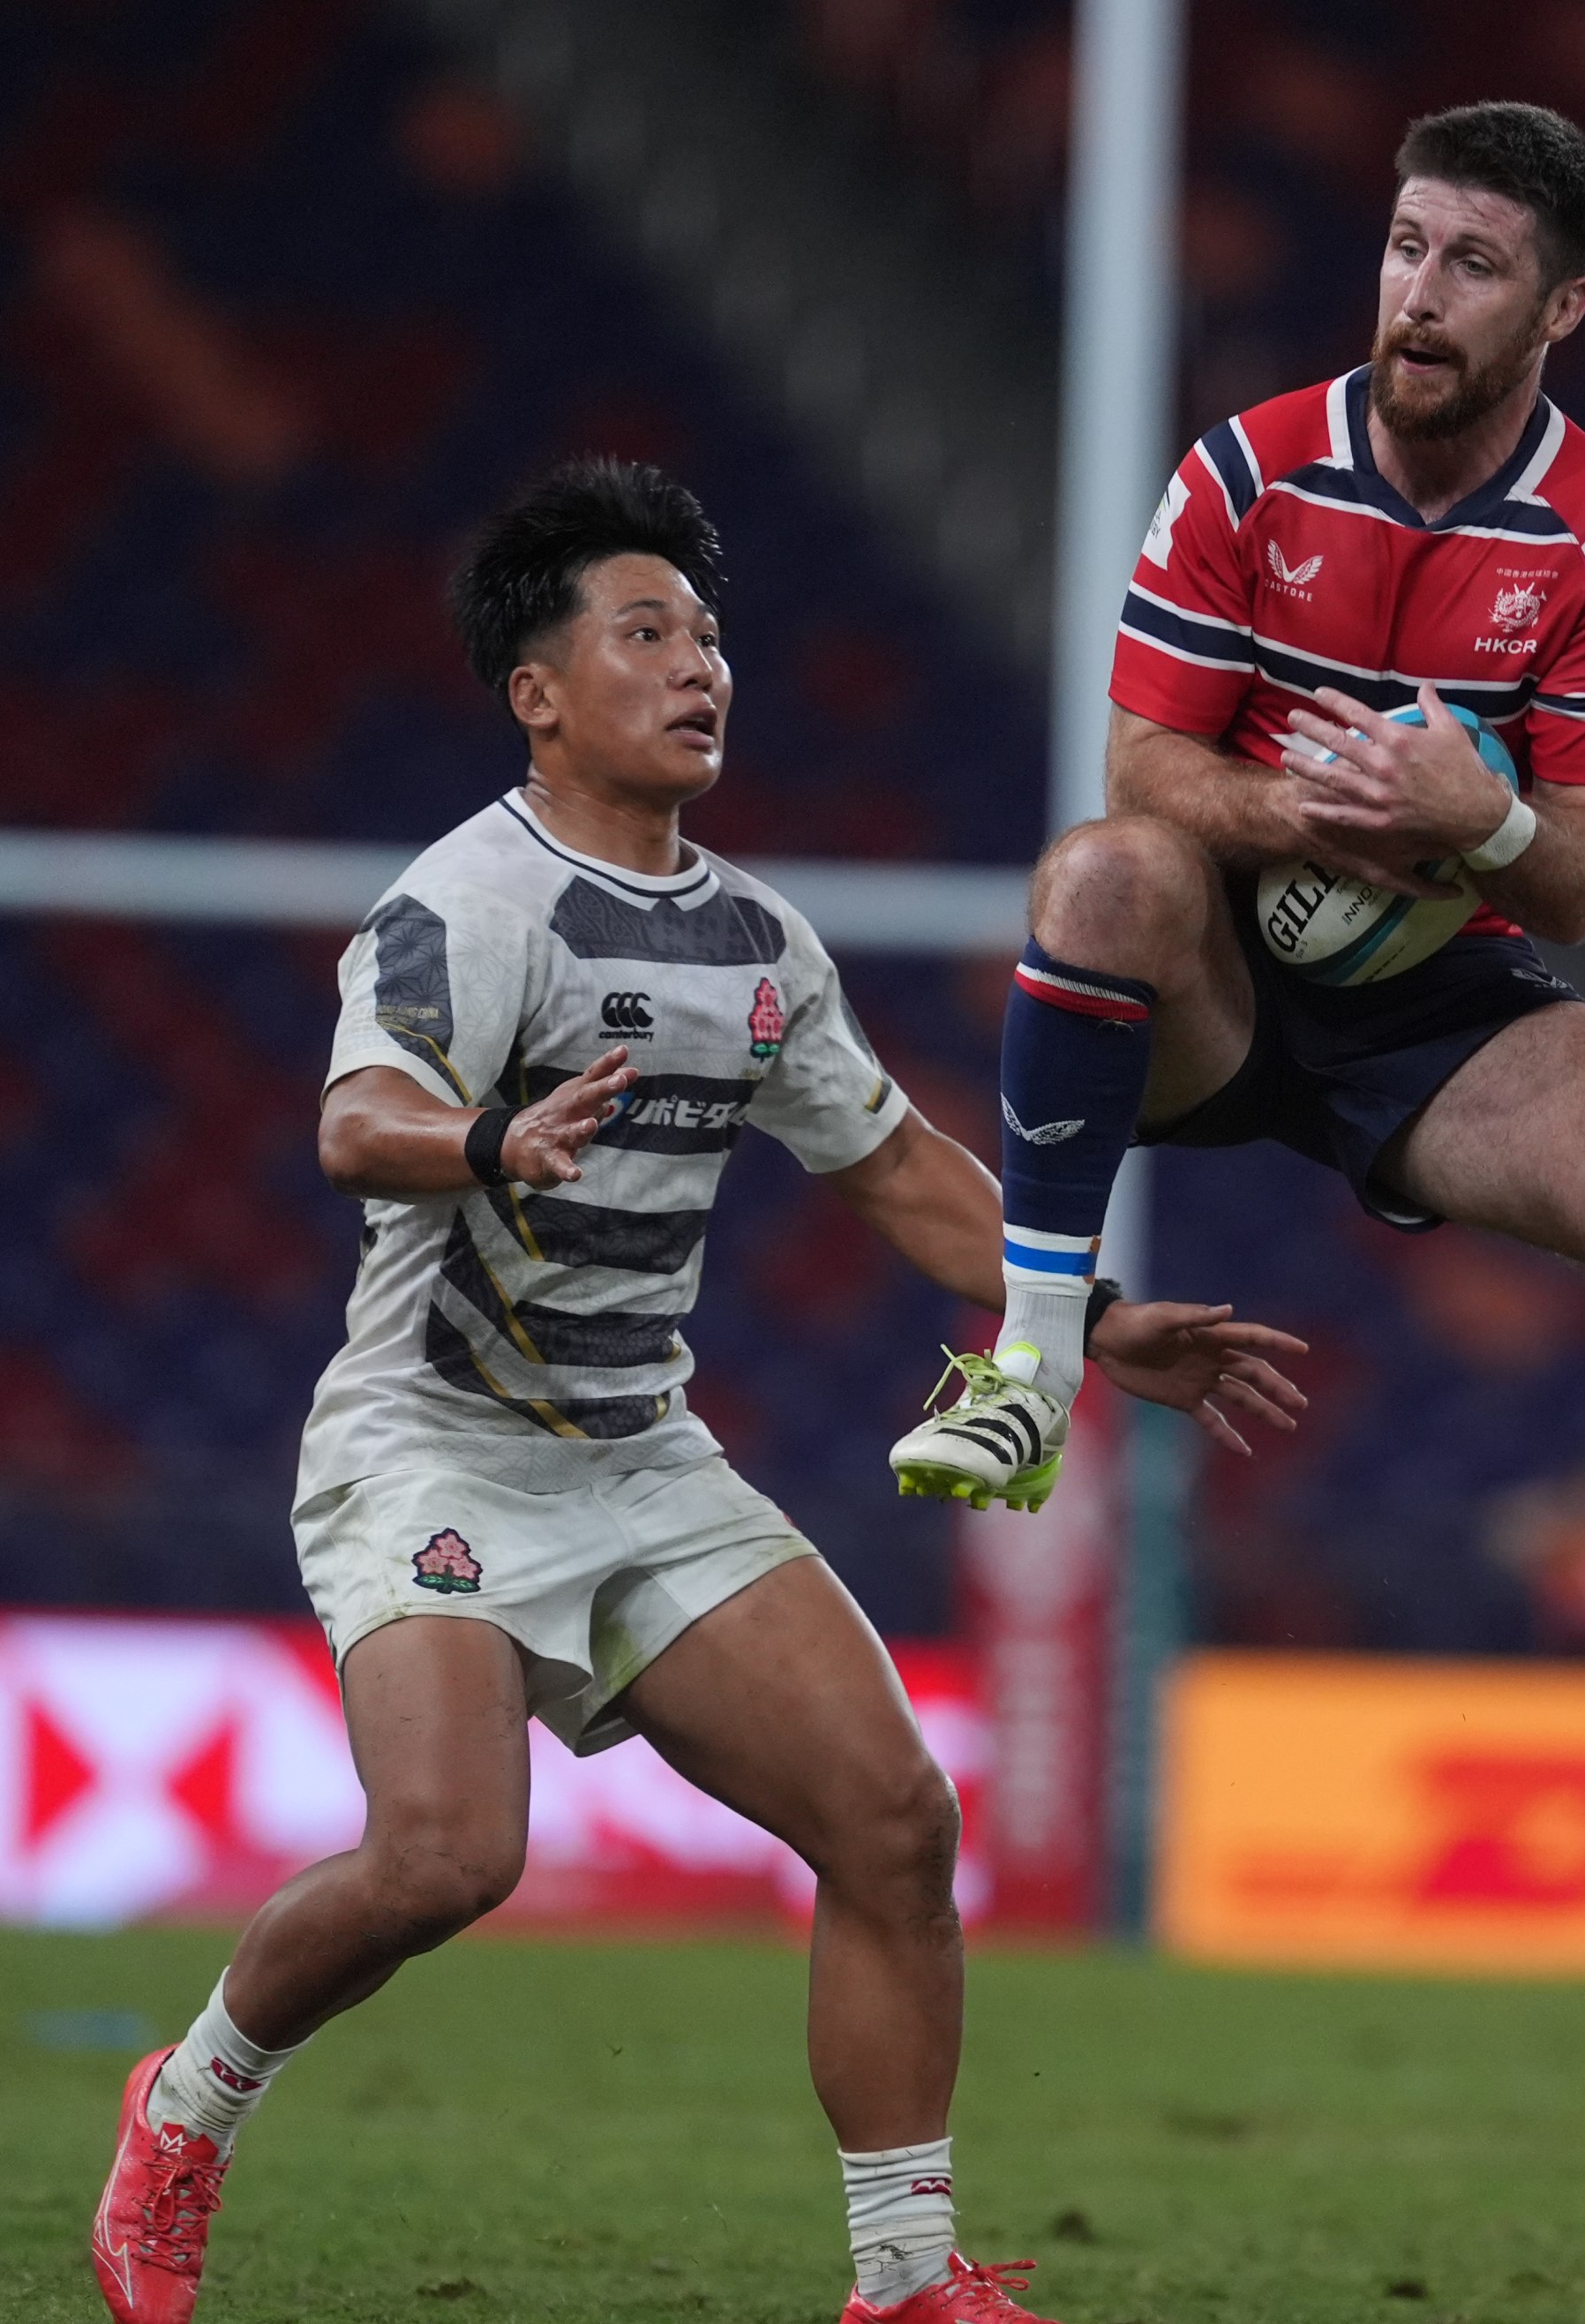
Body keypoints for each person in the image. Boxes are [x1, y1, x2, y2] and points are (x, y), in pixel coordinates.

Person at [85, 460, 1306, 2324]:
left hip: (642, 1455)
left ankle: (904, 2279)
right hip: (434, 1439)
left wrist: (1085, 1312)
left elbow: (895, 1165)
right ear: (539, 693)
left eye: (710, 634)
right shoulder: (470, 901)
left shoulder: (754, 943)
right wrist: (488, 1141)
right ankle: (182, 2110)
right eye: (644, 633)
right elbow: (354, 1122)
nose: (698, 665)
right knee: (443, 1858)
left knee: (895, 1820)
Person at [883, 101, 1585, 1892]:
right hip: (1207, 974)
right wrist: (1315, 812)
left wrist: (1471, 814)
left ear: (1558, 310)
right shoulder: (1249, 474)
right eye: (1406, 246)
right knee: (1098, 873)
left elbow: (1574, 878)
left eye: (1472, 265)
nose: (1418, 294)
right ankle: (1026, 1372)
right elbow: (1142, 768)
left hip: (1431, 997)